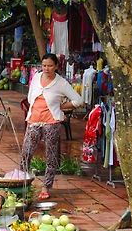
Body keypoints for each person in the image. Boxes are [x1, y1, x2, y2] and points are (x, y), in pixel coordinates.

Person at [20, 53, 84, 200]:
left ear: (56, 66)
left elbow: (78, 100)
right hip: (33, 121)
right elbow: (30, 97)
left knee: (51, 155)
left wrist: (60, 107)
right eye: (44, 65)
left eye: (50, 66)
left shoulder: (61, 83)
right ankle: (23, 183)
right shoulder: (36, 77)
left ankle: (46, 186)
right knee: (26, 153)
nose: (46, 68)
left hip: (52, 123)